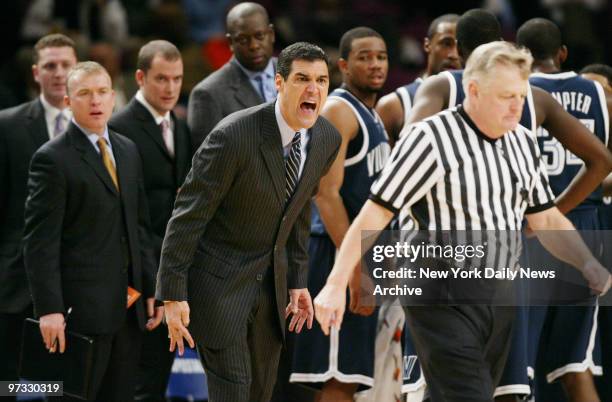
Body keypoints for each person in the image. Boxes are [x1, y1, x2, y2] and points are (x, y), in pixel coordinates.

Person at [314, 40, 612, 402]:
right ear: (473, 91)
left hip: (500, 293)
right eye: (506, 96)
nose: (517, 105)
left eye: (521, 95)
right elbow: (376, 212)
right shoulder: (430, 138)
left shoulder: (521, 140)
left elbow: (546, 217)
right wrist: (335, 282)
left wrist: (586, 263)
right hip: (440, 292)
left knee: (463, 394)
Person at [156, 42, 341, 402]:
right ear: (279, 83)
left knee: (259, 392)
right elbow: (187, 216)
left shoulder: (326, 138)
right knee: (234, 391)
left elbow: (300, 212)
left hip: (271, 289)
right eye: (302, 78)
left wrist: (298, 281)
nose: (313, 89)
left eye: (322, 80)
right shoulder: (234, 134)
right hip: (219, 285)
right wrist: (173, 294)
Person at [22, 61, 160, 402]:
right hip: (78, 314)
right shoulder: (52, 159)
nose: (95, 101)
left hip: (129, 311)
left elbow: (139, 228)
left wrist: (152, 285)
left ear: (114, 98)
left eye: (101, 92)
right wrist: (49, 309)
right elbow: (40, 243)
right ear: (69, 102)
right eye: (84, 93)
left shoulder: (128, 150)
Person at [407, 9, 612, 219]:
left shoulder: (440, 86)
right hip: (514, 231)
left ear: (459, 48)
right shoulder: (535, 96)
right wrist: (555, 214)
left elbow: (407, 152)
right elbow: (602, 160)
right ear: (501, 45)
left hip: (446, 229)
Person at [289, 27, 390, 402]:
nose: (375, 64)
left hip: (357, 255)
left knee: (347, 379)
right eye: (365, 57)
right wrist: (354, 270)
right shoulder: (338, 110)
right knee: (336, 377)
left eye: (380, 56)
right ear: (344, 65)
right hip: (335, 254)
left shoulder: (372, 115)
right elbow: (326, 196)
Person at [517, 18, 612, 402]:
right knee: (575, 365)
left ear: (520, 56)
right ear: (563, 54)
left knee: (519, 366)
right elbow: (604, 161)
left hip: (531, 228)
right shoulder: (596, 90)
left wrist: (549, 214)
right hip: (586, 227)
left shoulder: (518, 91)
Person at [108, 39, 192, 402]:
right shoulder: (118, 129)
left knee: (157, 376)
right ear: (140, 77)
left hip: (175, 273)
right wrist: (149, 284)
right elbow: (125, 220)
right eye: (161, 79)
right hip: (138, 281)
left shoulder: (180, 124)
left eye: (176, 79)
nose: (171, 88)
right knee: (138, 382)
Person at [0, 33, 77, 392]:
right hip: (15, 283)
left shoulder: (100, 128)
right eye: (50, 65)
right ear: (35, 72)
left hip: (78, 286)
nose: (58, 72)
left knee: (64, 387)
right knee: (9, 386)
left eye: (66, 65)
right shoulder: (8, 125)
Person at [188, 2, 277, 150]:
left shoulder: (296, 73)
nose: (254, 45)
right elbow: (207, 166)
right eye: (243, 39)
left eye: (259, 36)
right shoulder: (208, 94)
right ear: (230, 42)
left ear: (271, 34)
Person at [376, 13, 460, 142]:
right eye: (446, 44)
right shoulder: (392, 106)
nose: (453, 54)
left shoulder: (476, 103)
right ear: (427, 44)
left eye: (459, 46)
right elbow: (384, 162)